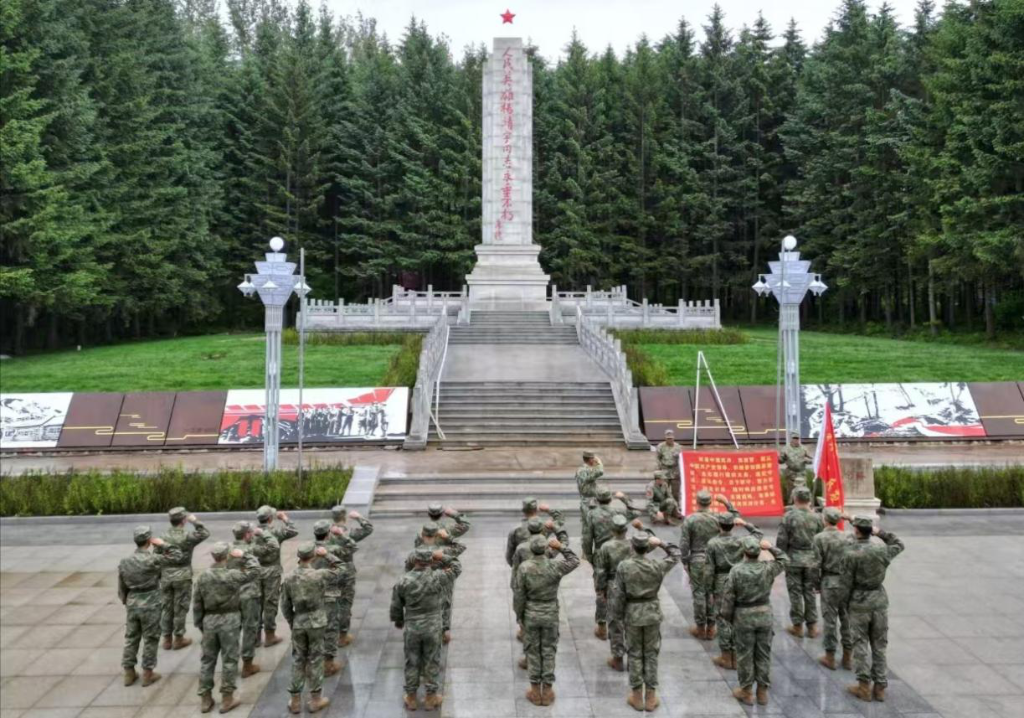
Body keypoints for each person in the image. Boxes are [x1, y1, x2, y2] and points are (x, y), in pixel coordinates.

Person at [611, 529, 681, 712]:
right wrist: (661, 543)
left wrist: (617, 616)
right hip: (651, 613)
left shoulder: (624, 566)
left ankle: (636, 696)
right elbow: (676, 554)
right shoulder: (656, 565)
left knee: (634, 654)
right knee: (650, 654)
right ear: (647, 547)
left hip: (632, 614)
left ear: (633, 546)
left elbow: (618, 595)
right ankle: (650, 696)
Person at [720, 536, 790, 706]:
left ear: (744, 552)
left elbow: (728, 598)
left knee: (745, 655)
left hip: (743, 616)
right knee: (763, 654)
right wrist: (770, 547)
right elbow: (785, 560)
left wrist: (727, 617)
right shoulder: (768, 568)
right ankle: (762, 691)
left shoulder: (736, 571)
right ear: (759, 552)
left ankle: (746, 691)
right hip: (764, 614)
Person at [391, 547, 462, 711]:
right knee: (432, 660)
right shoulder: (438, 577)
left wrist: (399, 621)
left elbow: (396, 606)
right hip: (433, 627)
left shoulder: (403, 580)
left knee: (412, 661)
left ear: (415, 560)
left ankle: (411, 697)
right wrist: (442, 556)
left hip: (412, 627)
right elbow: (457, 567)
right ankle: (431, 697)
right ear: (431, 561)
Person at [843, 516, 905, 703]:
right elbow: (899, 544)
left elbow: (845, 583)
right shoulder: (882, 550)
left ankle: (863, 686)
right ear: (871, 531)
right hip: (879, 601)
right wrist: (881, 533)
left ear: (856, 530)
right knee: (879, 645)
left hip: (859, 602)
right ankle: (880, 687)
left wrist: (845, 603)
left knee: (860, 644)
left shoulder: (850, 553)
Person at [193, 542, 259, 714]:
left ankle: (205, 699)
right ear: (228, 556)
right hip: (230, 620)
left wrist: (200, 624)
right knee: (229, 660)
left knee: (207, 661)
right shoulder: (233, 575)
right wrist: (245, 555)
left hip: (209, 621)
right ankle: (227, 698)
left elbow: (197, 603)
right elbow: (255, 571)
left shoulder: (203, 577)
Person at [514, 535, 581, 706]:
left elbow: (519, 594)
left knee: (533, 652)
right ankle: (548, 690)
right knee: (549, 650)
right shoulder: (555, 565)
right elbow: (574, 561)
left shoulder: (524, 567)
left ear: (531, 549)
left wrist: (520, 616)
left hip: (531, 613)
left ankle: (535, 691)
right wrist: (560, 547)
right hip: (550, 612)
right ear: (546, 549)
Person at [281, 542, 345, 714]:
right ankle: (315, 699)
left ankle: (295, 700)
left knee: (298, 660)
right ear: (313, 556)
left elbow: (285, 605)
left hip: (299, 621)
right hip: (317, 621)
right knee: (316, 659)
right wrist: (327, 555)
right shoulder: (319, 575)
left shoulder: (289, 578)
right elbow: (342, 569)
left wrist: (292, 622)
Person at [118, 526, 183, 688]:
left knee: (131, 637)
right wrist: (162, 544)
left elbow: (122, 586)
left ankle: (129, 672)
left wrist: (126, 600)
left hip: (133, 602)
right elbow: (177, 555)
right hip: (151, 601)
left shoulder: (125, 561)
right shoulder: (153, 559)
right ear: (149, 540)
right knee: (151, 638)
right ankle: (148, 673)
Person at [705, 509, 763, 669]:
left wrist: (708, 589)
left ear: (718, 525)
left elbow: (709, 569)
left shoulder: (712, 543)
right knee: (737, 617)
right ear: (733, 525)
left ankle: (726, 656)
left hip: (720, 582)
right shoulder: (741, 541)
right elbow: (758, 534)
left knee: (723, 619)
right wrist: (745, 524)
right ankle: (737, 655)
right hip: (738, 579)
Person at [510, 516, 569, 670]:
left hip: (527, 590)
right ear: (542, 529)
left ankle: (528, 658)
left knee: (529, 631)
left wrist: (518, 611)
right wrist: (556, 528)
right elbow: (565, 544)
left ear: (529, 530)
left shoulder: (521, 548)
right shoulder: (548, 548)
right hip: (546, 594)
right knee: (548, 638)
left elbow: (514, 568)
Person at [583, 486, 641, 638]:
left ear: (597, 499)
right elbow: (636, 511)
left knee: (601, 590)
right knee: (623, 584)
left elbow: (587, 537)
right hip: (621, 551)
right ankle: (624, 619)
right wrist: (624, 498)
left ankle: (602, 626)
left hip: (600, 554)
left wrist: (589, 556)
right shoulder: (618, 512)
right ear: (610, 499)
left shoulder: (591, 514)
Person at [680, 491, 735, 639]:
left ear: (697, 502)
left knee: (699, 593)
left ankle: (700, 627)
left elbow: (684, 543)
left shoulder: (690, 520)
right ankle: (711, 627)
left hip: (696, 560)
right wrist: (726, 502)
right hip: (714, 560)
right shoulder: (717, 518)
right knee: (711, 593)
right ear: (710, 502)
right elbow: (734, 517)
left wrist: (685, 561)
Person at [159, 507, 210, 650]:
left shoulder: (163, 536)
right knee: (180, 608)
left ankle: (167, 639)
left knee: (167, 607)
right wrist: (195, 521)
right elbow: (205, 533)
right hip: (183, 575)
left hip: (166, 575)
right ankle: (178, 638)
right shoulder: (187, 536)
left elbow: (158, 555)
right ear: (183, 520)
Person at [776, 486, 824, 637]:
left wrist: (781, 558)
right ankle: (812, 626)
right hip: (812, 560)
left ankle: (797, 626)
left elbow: (781, 541)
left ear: (795, 498)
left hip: (793, 560)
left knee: (795, 593)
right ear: (809, 499)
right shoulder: (817, 517)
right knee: (810, 592)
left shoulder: (788, 517)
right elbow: (821, 540)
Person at [409, 522, 466, 644]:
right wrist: (447, 537)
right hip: (442, 580)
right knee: (445, 604)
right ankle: (444, 631)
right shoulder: (443, 551)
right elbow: (461, 547)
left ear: (423, 535)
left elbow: (409, 565)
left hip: (422, 582)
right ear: (437, 535)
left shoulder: (417, 550)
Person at [813, 507, 854, 671]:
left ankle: (830, 656)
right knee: (847, 619)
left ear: (824, 520)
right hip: (846, 582)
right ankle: (848, 657)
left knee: (830, 620)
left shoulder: (819, 538)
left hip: (829, 582)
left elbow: (816, 564)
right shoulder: (848, 537)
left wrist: (816, 584)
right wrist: (851, 518)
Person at [594, 515, 636, 671]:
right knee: (632, 621)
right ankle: (634, 659)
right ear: (626, 529)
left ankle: (617, 658)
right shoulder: (633, 544)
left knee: (615, 622)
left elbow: (601, 571)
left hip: (614, 586)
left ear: (612, 530)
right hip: (632, 584)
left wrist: (601, 589)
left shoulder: (606, 547)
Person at [329, 504, 373, 647]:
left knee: (331, 601)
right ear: (344, 517)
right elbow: (368, 529)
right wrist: (359, 517)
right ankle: (342, 636)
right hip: (346, 572)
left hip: (329, 571)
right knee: (345, 604)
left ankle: (330, 632)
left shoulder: (325, 532)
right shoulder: (349, 533)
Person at [254, 505, 298, 647]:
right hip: (272, 572)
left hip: (255, 571)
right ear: (270, 518)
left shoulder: (252, 532)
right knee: (270, 604)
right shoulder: (275, 532)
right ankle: (270, 635)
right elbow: (293, 530)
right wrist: (284, 518)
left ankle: (254, 638)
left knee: (255, 603)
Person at [311, 520, 346, 676]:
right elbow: (344, 566)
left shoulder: (308, 549)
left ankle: (312, 661)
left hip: (312, 593)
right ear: (328, 533)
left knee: (314, 627)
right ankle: (328, 664)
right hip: (330, 593)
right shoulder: (334, 549)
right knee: (331, 627)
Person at [230, 521, 264, 678]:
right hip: (249, 595)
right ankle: (247, 665)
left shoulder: (227, 549)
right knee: (250, 629)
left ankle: (230, 663)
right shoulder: (251, 550)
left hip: (232, 595)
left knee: (233, 630)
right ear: (247, 534)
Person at [575, 451, 604, 539]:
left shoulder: (586, 469)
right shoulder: (583, 470)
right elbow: (600, 472)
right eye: (593, 458)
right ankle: (587, 546)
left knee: (593, 526)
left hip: (591, 500)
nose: (595, 459)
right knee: (588, 527)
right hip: (588, 501)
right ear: (590, 459)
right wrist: (599, 463)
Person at [779, 434, 812, 502]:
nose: (796, 440)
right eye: (794, 438)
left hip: (801, 473)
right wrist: (778, 458)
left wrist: (807, 460)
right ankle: (791, 505)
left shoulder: (804, 448)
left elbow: (812, 460)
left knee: (803, 491)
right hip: (791, 474)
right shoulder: (785, 449)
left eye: (797, 438)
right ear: (791, 439)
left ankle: (803, 504)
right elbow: (781, 461)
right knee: (791, 491)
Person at [655, 429, 683, 511]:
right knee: (663, 490)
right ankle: (663, 507)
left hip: (675, 471)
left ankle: (676, 507)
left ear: (673, 438)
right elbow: (658, 458)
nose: (669, 440)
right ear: (665, 438)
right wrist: (659, 468)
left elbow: (682, 459)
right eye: (668, 438)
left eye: (671, 438)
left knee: (675, 491)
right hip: (665, 470)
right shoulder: (660, 446)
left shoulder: (678, 447)